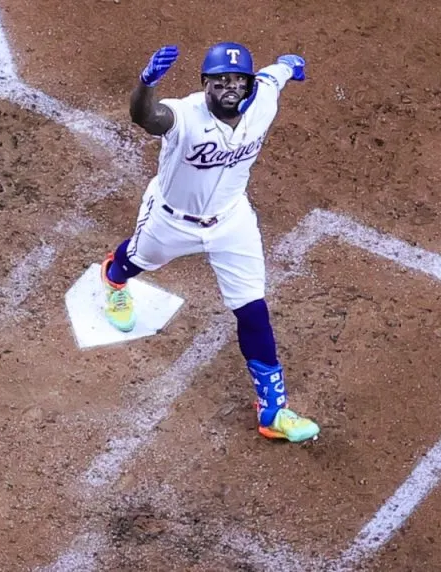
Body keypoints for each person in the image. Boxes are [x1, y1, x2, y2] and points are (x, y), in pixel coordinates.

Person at [100, 42, 319, 442]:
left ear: (248, 84)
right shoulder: (183, 115)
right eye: (219, 82)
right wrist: (146, 83)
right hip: (171, 220)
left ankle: (273, 412)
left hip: (232, 222)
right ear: (205, 85)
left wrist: (290, 65)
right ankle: (113, 279)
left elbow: (276, 74)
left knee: (253, 310)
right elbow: (145, 116)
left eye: (237, 80)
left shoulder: (263, 99)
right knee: (136, 260)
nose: (229, 88)